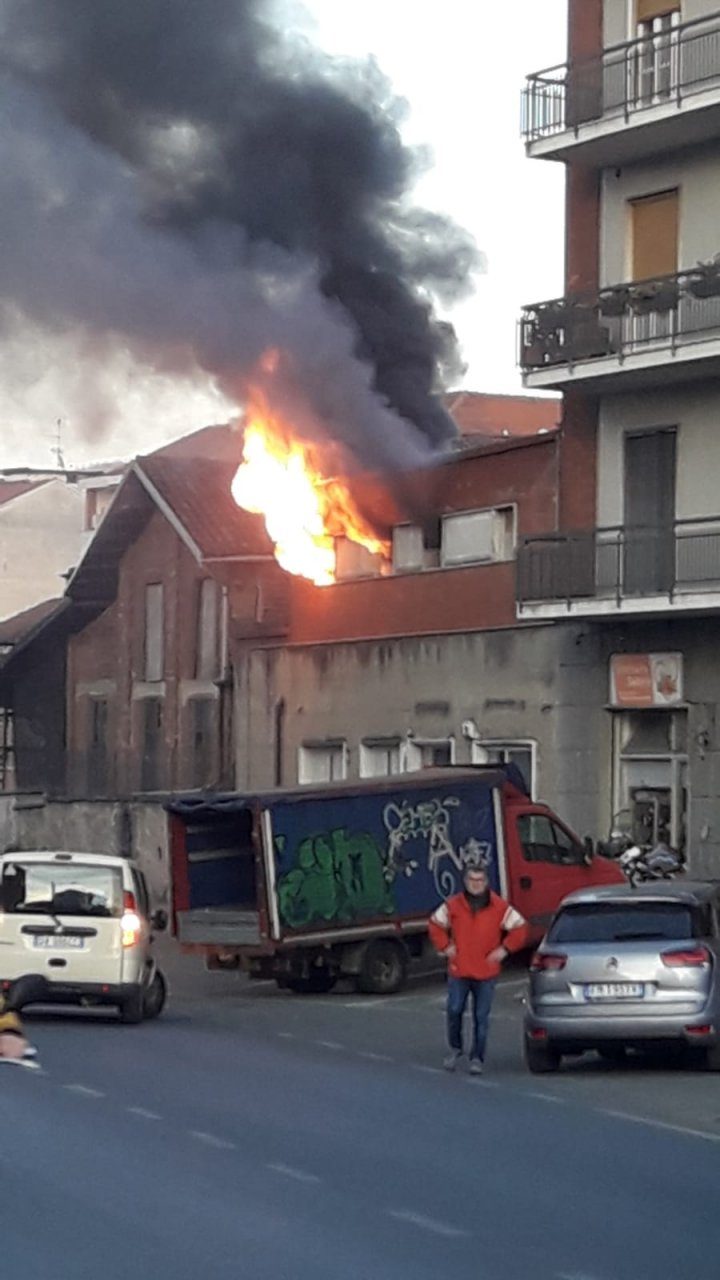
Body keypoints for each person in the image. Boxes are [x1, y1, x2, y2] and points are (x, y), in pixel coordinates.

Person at [429, 866, 527, 1074]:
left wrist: (505, 949)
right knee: (454, 1010)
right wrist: (446, 947)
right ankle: (455, 1048)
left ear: (486, 882)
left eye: (480, 880)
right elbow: (435, 924)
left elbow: (520, 928)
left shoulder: (499, 907)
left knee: (481, 1018)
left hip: (486, 972)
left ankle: (477, 1058)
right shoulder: (453, 905)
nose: (476, 884)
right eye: (472, 880)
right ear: (465, 882)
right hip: (459, 970)